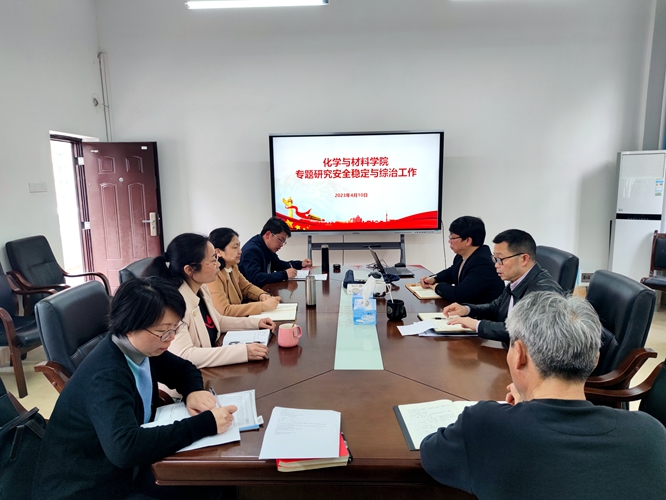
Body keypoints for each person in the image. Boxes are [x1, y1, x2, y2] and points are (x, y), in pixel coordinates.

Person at [420, 291, 666, 499]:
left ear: (518, 355)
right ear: (595, 360)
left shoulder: (484, 424)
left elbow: (431, 454)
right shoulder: (651, 433)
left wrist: (524, 407)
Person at [32, 277, 237, 500]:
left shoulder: (141, 349)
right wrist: (205, 424)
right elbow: (125, 449)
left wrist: (193, 392)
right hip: (89, 486)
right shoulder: (107, 375)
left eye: (175, 328)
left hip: (125, 470)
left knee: (217, 482)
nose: (170, 339)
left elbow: (184, 369)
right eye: (163, 331)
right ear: (130, 327)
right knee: (210, 488)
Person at [144, 233, 272, 368]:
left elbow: (217, 321)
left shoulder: (201, 289)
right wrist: (243, 352)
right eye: (213, 260)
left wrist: (256, 323)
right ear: (190, 269)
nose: (218, 264)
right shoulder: (174, 303)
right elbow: (185, 354)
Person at [442, 229, 563, 343]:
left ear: (524, 259)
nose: (496, 265)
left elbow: (523, 332)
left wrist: (477, 325)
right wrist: (467, 309)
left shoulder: (544, 293)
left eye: (500, 259)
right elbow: (495, 308)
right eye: (495, 259)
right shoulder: (518, 280)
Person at [419, 216, 504, 304]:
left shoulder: (483, 264)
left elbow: (458, 295)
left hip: (481, 311)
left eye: (452, 238)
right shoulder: (461, 256)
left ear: (468, 241)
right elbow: (451, 272)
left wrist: (437, 287)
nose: (449, 241)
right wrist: (434, 279)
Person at [208, 227, 281, 317]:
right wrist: (262, 306)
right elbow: (224, 310)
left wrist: (262, 295)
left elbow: (247, 287)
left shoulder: (233, 266)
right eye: (235, 247)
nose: (240, 251)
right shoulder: (213, 276)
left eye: (239, 246)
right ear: (218, 252)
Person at [239, 217, 312, 287]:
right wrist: (284, 274)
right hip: (250, 294)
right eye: (280, 240)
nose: (281, 245)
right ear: (268, 235)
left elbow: (278, 265)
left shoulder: (267, 247)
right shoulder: (251, 250)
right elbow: (255, 278)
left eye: (283, 242)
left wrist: (300, 264)